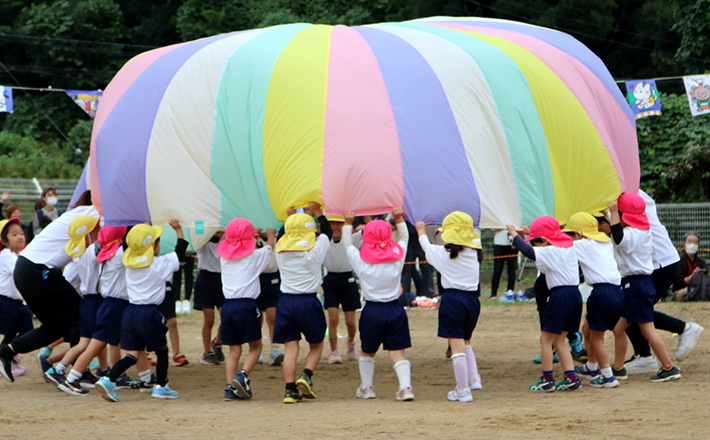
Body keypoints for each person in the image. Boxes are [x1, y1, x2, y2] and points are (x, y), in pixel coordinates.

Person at [0, 191, 98, 383]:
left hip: (27, 269)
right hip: (38, 271)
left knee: (56, 326)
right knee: (80, 315)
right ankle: (77, 372)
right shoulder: (92, 212)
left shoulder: (78, 213)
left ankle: (7, 350)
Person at [95, 221, 187, 401]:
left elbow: (131, 244)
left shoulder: (128, 263)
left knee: (132, 355)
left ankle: (108, 379)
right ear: (153, 246)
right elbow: (180, 251)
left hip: (130, 313)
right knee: (161, 351)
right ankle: (161, 386)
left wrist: (139, 232)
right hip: (149, 313)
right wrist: (178, 230)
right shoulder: (160, 263)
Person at [620, 191, 705, 373]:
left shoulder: (631, 196)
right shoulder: (633, 191)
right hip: (658, 262)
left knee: (635, 311)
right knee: (631, 310)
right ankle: (644, 355)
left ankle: (682, 329)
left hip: (657, 264)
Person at [343, 208, 415, 401]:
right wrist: (399, 218)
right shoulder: (398, 257)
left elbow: (347, 244)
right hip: (395, 310)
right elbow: (405, 238)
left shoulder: (361, 262)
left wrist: (348, 223)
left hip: (372, 311)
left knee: (367, 352)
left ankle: (367, 387)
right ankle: (405, 387)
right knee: (398, 353)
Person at [608, 193, 681, 382]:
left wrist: (613, 211)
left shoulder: (634, 234)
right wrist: (611, 213)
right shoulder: (643, 231)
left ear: (625, 216)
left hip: (637, 285)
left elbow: (618, 237)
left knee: (647, 329)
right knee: (618, 329)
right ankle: (618, 368)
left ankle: (669, 367)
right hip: (636, 285)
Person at [507, 216, 582, 392]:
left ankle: (547, 379)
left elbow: (528, 251)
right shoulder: (568, 246)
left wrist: (513, 234)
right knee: (560, 340)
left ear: (544, 240)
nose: (536, 245)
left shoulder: (550, 251)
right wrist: (529, 233)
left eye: (537, 241)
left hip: (560, 296)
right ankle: (571, 378)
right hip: (575, 295)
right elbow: (538, 245)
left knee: (546, 339)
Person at [416, 212, 482, 402]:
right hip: (473, 301)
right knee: (466, 341)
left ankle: (462, 390)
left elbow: (426, 247)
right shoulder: (474, 253)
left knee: (456, 346)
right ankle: (473, 379)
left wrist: (421, 230)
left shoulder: (443, 254)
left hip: (453, 300)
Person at [274, 202, 331, 404]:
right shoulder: (313, 252)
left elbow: (280, 237)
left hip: (286, 302)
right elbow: (327, 233)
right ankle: (306, 376)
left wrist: (287, 218)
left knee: (290, 348)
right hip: (308, 302)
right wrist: (318, 213)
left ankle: (290, 390)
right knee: (316, 344)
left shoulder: (279, 252)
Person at [44, 216, 109, 389]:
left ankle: (57, 369)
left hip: (86, 301)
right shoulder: (93, 252)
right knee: (96, 343)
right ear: (88, 234)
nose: (99, 232)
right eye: (96, 230)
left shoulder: (78, 253)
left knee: (83, 343)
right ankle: (74, 375)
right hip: (95, 301)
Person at [217, 218, 275, 401]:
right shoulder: (255, 257)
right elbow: (270, 245)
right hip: (247, 306)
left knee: (233, 351)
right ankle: (242, 375)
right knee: (256, 347)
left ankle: (229, 388)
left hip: (227, 307)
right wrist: (270, 231)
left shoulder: (223, 259)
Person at [562, 212, 623, 388]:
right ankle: (591, 366)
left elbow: (559, 245)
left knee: (596, 338)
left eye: (571, 233)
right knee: (587, 329)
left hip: (602, 293)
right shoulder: (604, 241)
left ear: (579, 234)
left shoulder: (582, 245)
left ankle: (608, 376)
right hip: (616, 292)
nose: (569, 237)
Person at [322, 215, 361, 365]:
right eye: (332, 223)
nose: (336, 227)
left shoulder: (352, 239)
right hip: (331, 280)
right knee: (333, 319)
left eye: (339, 223)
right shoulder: (323, 241)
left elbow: (368, 230)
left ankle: (351, 342)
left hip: (348, 281)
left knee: (351, 322)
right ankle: (334, 351)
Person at [0, 218, 31, 378]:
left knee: (27, 331)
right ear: (4, 241)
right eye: (14, 234)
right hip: (6, 302)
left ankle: (7, 355)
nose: (20, 237)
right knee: (11, 333)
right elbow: (19, 271)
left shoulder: (18, 254)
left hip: (18, 303)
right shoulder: (6, 255)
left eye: (21, 233)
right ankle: (4, 357)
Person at [194, 232, 226, 365]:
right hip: (205, 280)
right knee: (209, 319)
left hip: (222, 279)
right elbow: (198, 234)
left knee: (227, 315)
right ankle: (207, 352)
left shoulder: (225, 238)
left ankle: (217, 342)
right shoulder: (203, 241)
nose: (218, 232)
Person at [257, 247, 285, 366]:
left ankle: (275, 349)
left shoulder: (276, 237)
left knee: (272, 316)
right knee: (256, 317)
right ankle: (257, 350)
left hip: (273, 277)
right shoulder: (252, 237)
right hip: (256, 276)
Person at [401, 221, 435, 299]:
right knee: (407, 271)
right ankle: (406, 296)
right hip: (409, 243)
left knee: (427, 269)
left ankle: (430, 293)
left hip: (423, 241)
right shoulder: (405, 210)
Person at [672, 233, 707, 299]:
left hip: (699, 288)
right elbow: (677, 283)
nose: (692, 244)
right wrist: (693, 277)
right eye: (690, 242)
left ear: (698, 245)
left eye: (695, 242)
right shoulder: (678, 261)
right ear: (684, 244)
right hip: (681, 290)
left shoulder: (701, 262)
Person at [490, 228, 517, 300]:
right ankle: (493, 293)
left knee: (512, 270)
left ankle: (510, 291)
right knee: (497, 270)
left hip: (512, 245)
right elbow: (494, 229)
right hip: (499, 244)